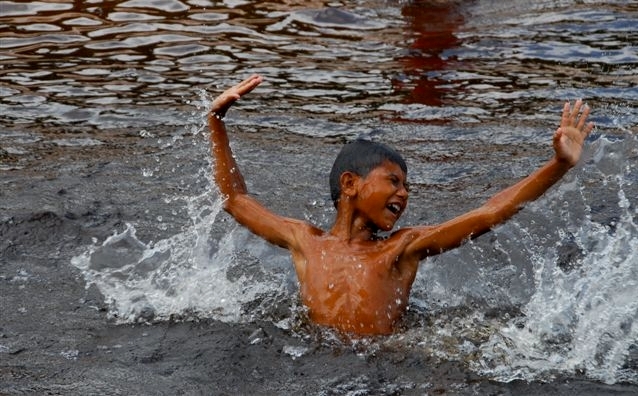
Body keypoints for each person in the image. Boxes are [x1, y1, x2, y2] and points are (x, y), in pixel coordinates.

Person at [208, 74, 594, 336]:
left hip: (385, 368)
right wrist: (216, 123)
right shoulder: (304, 241)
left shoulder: (401, 249)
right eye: (394, 181)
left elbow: (490, 212)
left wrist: (558, 165)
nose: (404, 194)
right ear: (350, 184)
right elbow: (235, 200)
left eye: (407, 186)